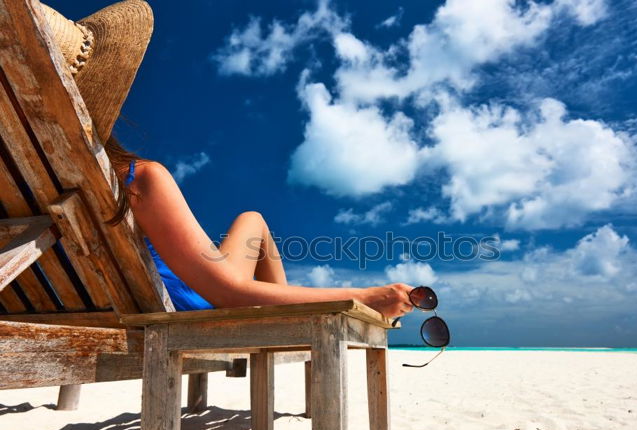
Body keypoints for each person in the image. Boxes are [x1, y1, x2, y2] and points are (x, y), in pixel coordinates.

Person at [41, 0, 414, 318]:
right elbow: (229, 294)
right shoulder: (138, 180)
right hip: (180, 307)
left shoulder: (23, 190)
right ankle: (286, 324)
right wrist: (367, 296)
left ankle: (284, 322)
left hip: (83, 308)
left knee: (253, 221)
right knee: (253, 221)